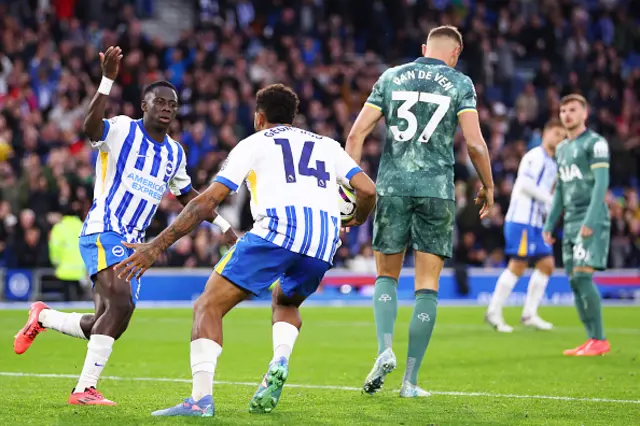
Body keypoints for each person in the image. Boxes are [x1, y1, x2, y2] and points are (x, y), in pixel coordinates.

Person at [114, 83, 377, 417]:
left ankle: (200, 400)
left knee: (207, 305)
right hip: (323, 242)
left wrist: (155, 247)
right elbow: (368, 190)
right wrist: (355, 219)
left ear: (259, 117)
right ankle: (279, 359)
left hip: (279, 231)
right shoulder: (327, 145)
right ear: (293, 118)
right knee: (285, 299)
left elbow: (206, 201)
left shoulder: (253, 143)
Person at [13, 46, 237, 405]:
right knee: (121, 305)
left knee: (107, 319)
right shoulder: (120, 129)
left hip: (136, 245)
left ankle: (44, 317)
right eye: (159, 102)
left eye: (172, 104)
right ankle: (84, 389)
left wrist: (224, 225)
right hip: (104, 228)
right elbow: (90, 128)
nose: (167, 108)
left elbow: (189, 198)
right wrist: (107, 80)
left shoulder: (174, 154)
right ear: (144, 106)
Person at [345, 25, 494, 397]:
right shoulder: (460, 83)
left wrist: (350, 187)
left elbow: (355, 135)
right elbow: (474, 144)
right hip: (436, 192)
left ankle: (383, 350)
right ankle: (410, 382)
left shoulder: (391, 77)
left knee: (386, 277)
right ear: (455, 53)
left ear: (424, 48)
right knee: (427, 287)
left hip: (392, 188)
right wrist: (488, 185)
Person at [543, 94, 611, 356]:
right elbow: (560, 188)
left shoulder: (596, 144)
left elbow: (601, 184)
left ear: (585, 113)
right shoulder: (561, 149)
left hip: (589, 217)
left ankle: (600, 339)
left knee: (583, 276)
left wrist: (590, 221)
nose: (567, 115)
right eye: (563, 110)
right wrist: (550, 223)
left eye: (572, 110)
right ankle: (592, 339)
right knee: (573, 281)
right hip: (570, 221)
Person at [485, 120, 566, 332]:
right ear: (546, 133)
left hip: (537, 224)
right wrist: (550, 200)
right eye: (557, 134)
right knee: (518, 264)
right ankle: (494, 311)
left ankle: (529, 313)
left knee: (547, 264)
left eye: (563, 136)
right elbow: (524, 184)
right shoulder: (534, 156)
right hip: (521, 219)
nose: (559, 139)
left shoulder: (553, 163)